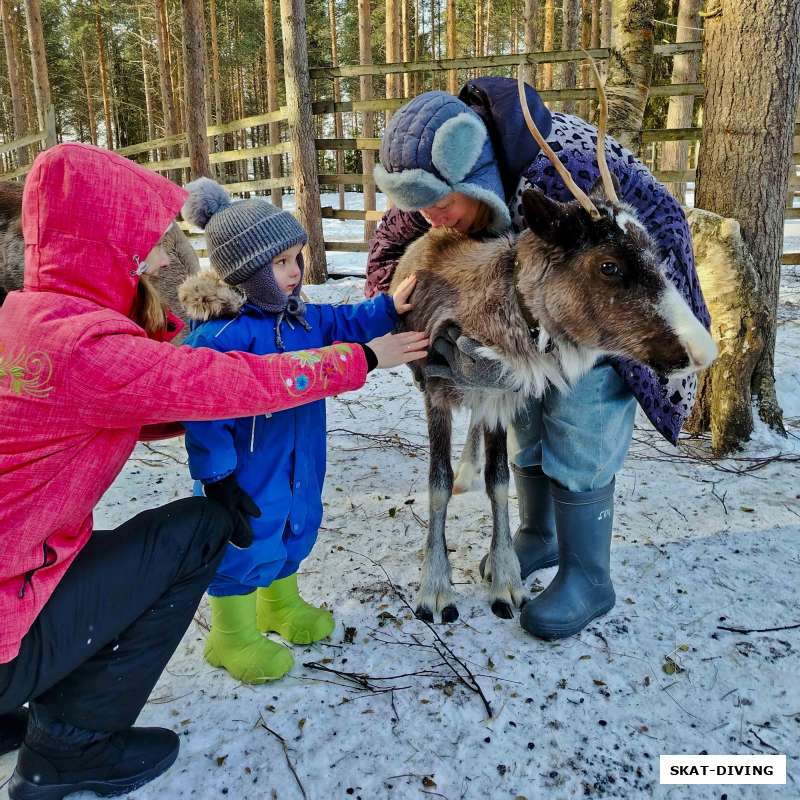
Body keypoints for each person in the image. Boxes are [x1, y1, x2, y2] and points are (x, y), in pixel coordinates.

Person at [0, 142, 427, 800]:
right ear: (99, 243)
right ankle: (67, 751)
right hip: (9, 614)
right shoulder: (84, 344)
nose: (166, 257)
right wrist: (361, 360)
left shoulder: (29, 320)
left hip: (17, 578)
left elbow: (152, 400)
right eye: (144, 244)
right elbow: (213, 382)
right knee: (205, 528)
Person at [366, 79, 711, 640]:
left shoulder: (558, 169)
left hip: (622, 298)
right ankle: (537, 534)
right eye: (415, 204)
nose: (428, 215)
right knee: (521, 407)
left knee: (582, 412)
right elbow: (389, 261)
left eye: (440, 202)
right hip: (539, 308)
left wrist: (650, 326)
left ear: (471, 176)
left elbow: (657, 231)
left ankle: (588, 575)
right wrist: (414, 313)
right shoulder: (428, 188)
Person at [178, 178, 417, 683]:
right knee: (246, 542)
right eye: (281, 262)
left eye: (297, 259)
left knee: (295, 526)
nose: (294, 272)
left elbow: (344, 322)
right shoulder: (220, 338)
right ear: (247, 271)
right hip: (246, 470)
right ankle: (232, 636)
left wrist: (387, 308)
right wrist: (217, 475)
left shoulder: (302, 319)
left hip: (300, 460)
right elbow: (201, 410)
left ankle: (278, 606)